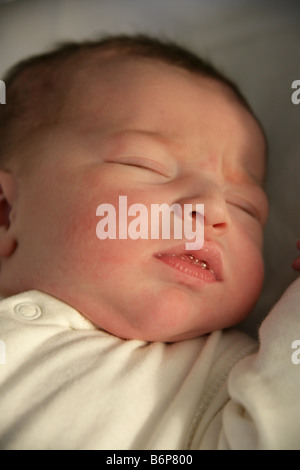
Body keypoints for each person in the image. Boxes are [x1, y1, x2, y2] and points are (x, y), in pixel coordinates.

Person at [0, 34, 299, 450]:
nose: (213, 210)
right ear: (6, 213)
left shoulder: (228, 376)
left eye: (246, 207)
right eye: (145, 164)